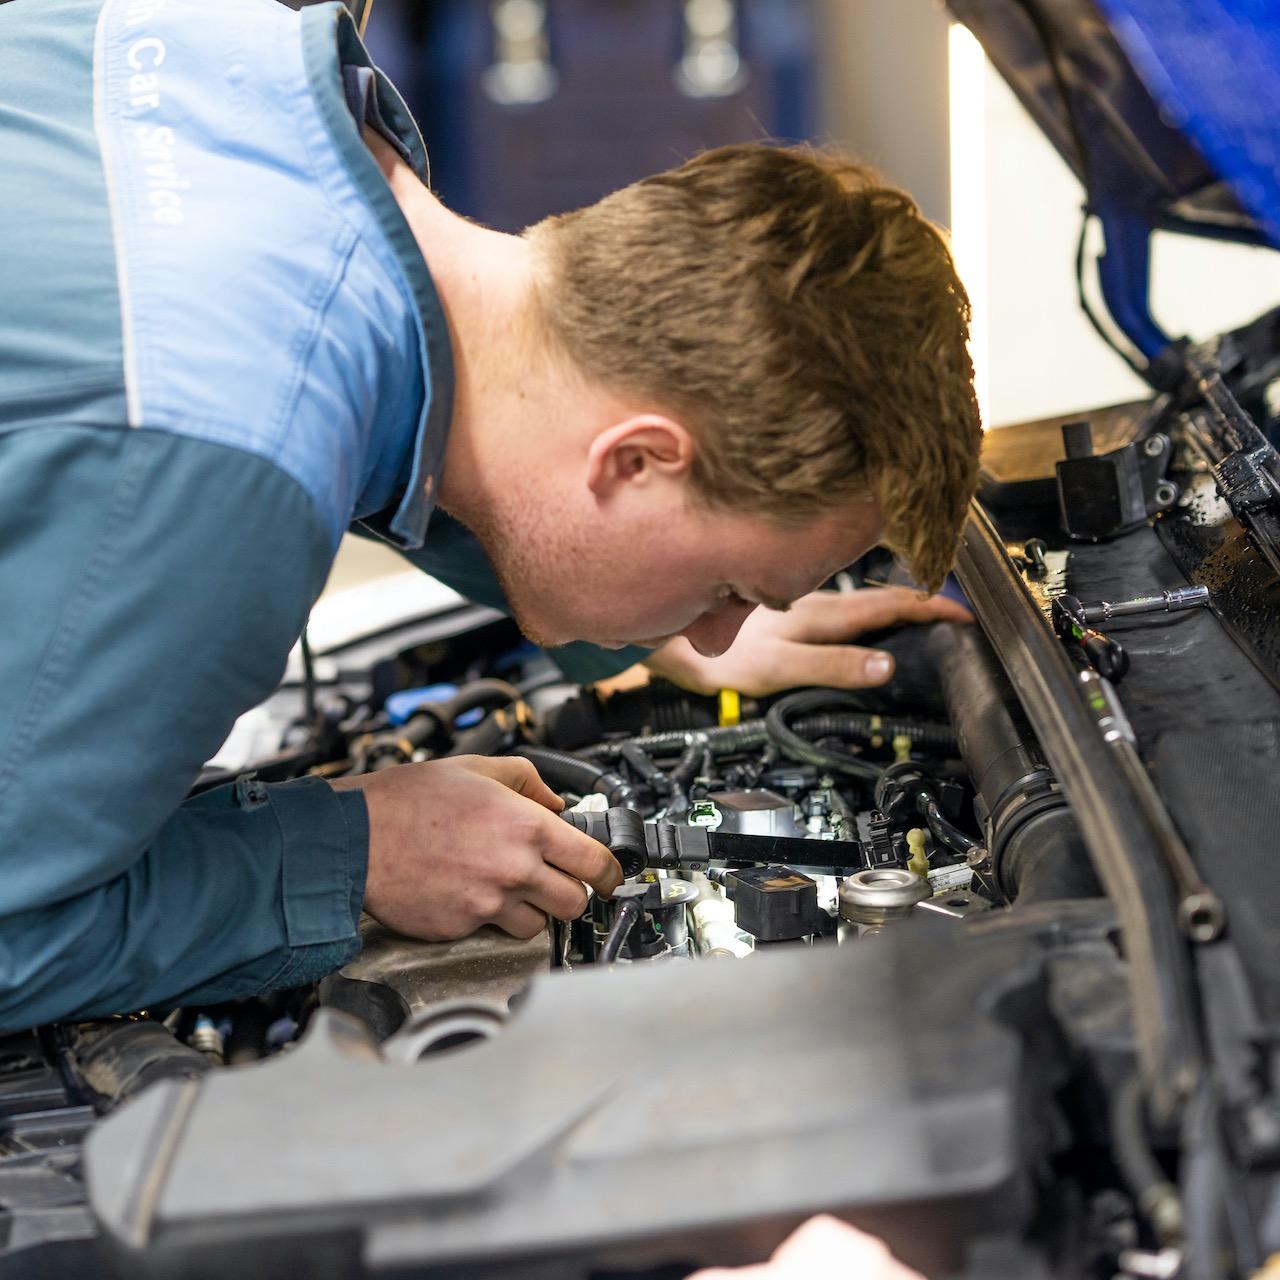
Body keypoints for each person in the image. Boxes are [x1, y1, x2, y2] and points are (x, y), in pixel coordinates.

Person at [0, 0, 979, 1029]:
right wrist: (356, 854)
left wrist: (640, 635)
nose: (716, 634)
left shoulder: (273, 75)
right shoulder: (221, 470)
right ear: (634, 460)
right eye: (727, 589)